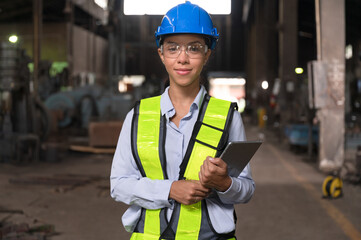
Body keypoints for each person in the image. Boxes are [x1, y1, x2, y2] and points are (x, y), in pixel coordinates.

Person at [110, 1, 255, 239]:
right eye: (173, 47)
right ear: (162, 54)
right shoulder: (137, 116)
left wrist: (225, 183)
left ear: (207, 55)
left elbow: (246, 189)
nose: (183, 59)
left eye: (194, 48)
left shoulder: (228, 117)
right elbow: (119, 185)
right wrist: (170, 189)